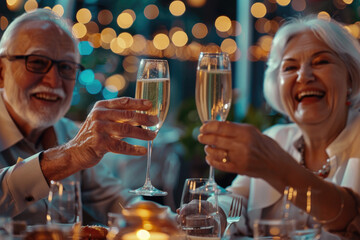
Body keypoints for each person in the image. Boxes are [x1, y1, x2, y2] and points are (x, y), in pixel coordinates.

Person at [197, 16, 360, 239]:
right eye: (290, 67)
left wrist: (275, 166)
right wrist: (214, 212)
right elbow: (237, 198)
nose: (304, 76)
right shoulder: (275, 138)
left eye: (321, 62)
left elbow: (354, 218)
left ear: (351, 77)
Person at [0, 9, 159, 225]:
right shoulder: (77, 143)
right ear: (1, 72)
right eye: (37, 62)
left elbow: (117, 201)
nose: (54, 82)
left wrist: (173, 219)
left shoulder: (71, 134)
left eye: (66, 67)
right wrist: (67, 157)